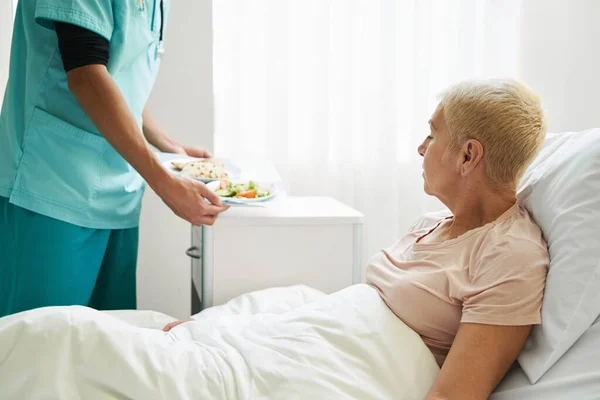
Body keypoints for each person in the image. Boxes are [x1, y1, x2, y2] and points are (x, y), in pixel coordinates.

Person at [165, 79, 550, 399]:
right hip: (305, 350)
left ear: (468, 156)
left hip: (335, 376)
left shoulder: (510, 254)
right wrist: (221, 330)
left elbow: (454, 395)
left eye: (431, 135)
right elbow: (345, 317)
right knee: (158, 352)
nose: (420, 148)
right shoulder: (432, 223)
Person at [0, 0, 228, 318]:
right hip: (51, 186)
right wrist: (165, 183)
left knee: (108, 350)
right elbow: (87, 75)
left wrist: (169, 146)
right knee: (40, 348)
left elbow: (118, 74)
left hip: (117, 190)